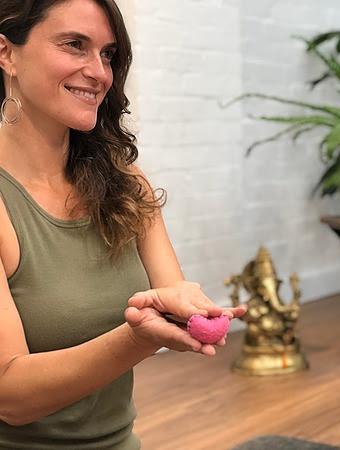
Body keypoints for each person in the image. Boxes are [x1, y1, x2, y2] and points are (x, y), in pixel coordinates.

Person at [0, 0, 246, 448]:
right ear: (6, 53)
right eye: (74, 45)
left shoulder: (124, 181)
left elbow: (170, 297)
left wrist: (189, 309)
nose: (99, 72)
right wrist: (138, 338)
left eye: (108, 54)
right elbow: (10, 397)